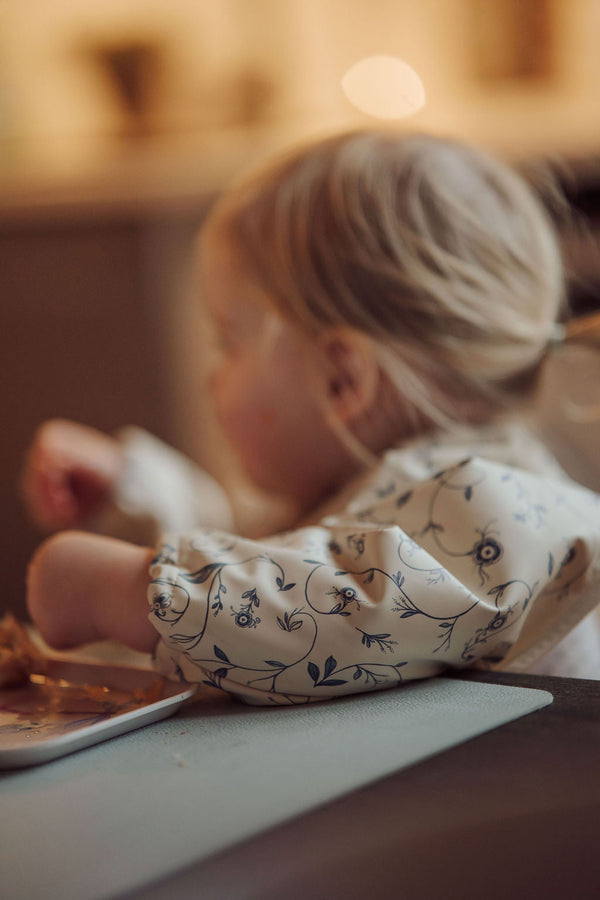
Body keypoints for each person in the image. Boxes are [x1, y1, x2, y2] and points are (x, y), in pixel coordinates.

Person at [22, 129, 600, 705]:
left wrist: (127, 592)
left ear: (342, 378)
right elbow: (270, 565)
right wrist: (136, 494)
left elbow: (319, 611)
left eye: (228, 343)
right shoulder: (404, 495)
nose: (210, 378)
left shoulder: (489, 509)